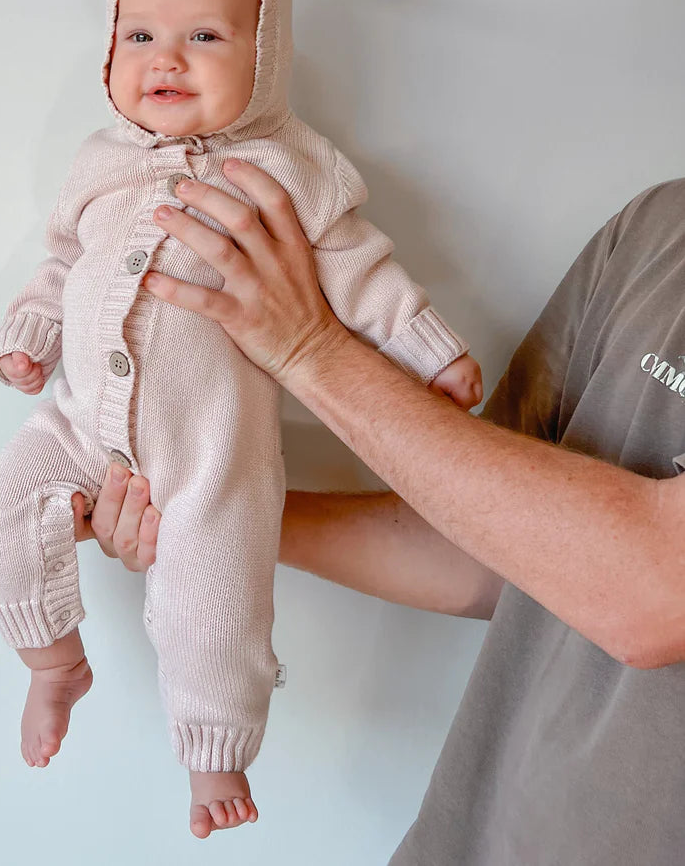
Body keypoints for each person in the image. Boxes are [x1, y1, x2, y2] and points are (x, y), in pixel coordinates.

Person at [0, 0, 482, 839]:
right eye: (141, 35)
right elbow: (59, 263)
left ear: (266, 54)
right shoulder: (98, 164)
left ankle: (215, 760)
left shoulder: (290, 166)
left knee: (216, 608)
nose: (165, 59)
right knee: (1, 509)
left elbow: (358, 267)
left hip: (214, 454)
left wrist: (430, 349)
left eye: (203, 36)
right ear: (110, 54)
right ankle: (53, 662)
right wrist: (31, 333)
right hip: (81, 424)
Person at [75, 162, 685, 862]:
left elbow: (653, 596)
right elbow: (489, 547)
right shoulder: (657, 227)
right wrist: (202, 515)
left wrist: (308, 348)